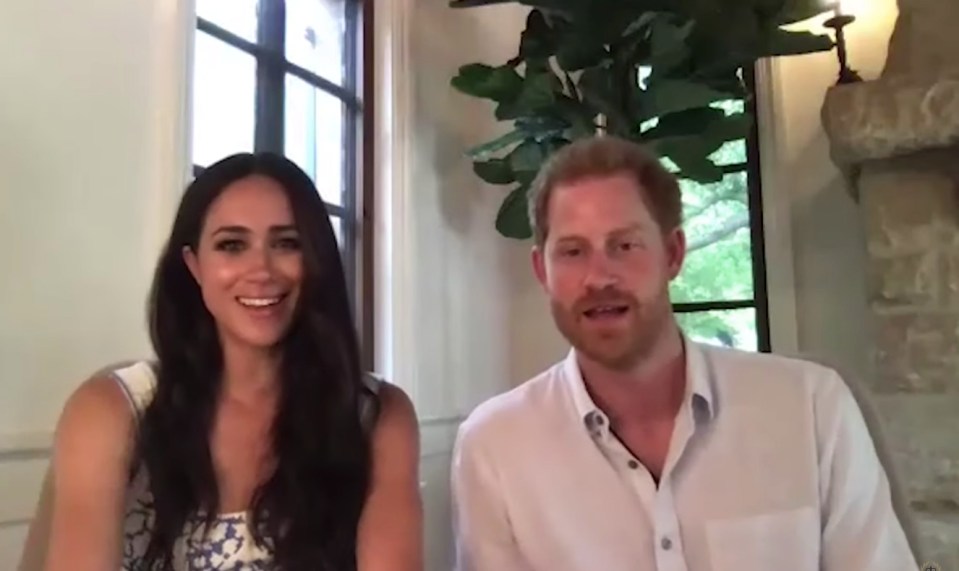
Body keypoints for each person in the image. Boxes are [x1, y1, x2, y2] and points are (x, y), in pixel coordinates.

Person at [450, 135, 916, 571]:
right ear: (542, 269)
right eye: (573, 252)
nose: (598, 277)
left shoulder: (812, 409)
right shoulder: (494, 448)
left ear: (673, 253)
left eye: (624, 245)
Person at [40, 153, 423, 570]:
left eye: (286, 243)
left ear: (316, 262)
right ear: (194, 266)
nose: (261, 269)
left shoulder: (377, 416)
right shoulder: (113, 410)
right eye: (232, 245)